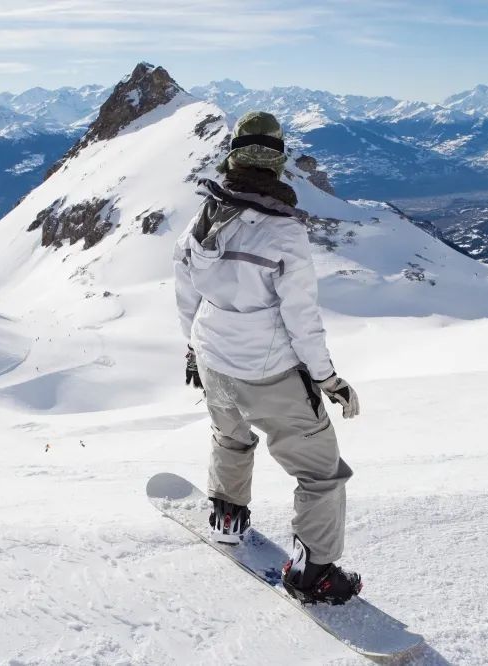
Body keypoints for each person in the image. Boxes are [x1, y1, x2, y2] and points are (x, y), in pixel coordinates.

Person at [173, 111, 362, 605]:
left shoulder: (204, 217)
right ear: (278, 162)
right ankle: (315, 574)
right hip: (268, 370)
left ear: (233, 156)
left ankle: (227, 517)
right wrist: (327, 378)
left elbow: (184, 291)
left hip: (214, 357)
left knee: (230, 437)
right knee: (321, 472)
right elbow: (302, 318)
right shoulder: (284, 233)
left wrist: (193, 348)